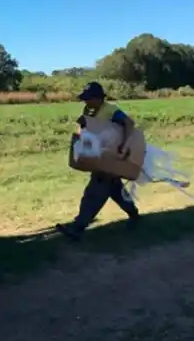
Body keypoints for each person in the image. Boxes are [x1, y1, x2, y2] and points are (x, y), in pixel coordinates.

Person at [56, 82, 140, 241]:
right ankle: (134, 214)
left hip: (110, 156)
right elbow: (84, 128)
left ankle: (78, 227)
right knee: (115, 189)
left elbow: (129, 123)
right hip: (99, 156)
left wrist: (124, 145)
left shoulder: (111, 110)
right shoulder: (89, 110)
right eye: (84, 98)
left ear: (98, 98)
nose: (86, 101)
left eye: (88, 98)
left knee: (95, 191)